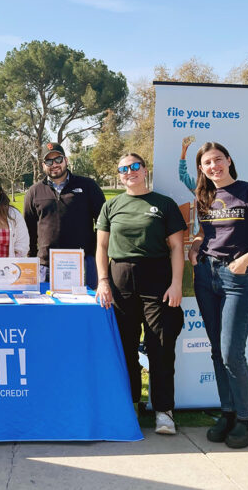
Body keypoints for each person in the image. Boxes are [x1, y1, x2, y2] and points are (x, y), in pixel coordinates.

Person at [189, 142, 248, 449]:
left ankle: (245, 419)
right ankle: (227, 413)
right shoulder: (204, 196)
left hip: (237, 278)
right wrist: (196, 244)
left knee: (231, 353)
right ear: (201, 169)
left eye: (218, 159)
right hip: (205, 276)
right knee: (216, 350)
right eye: (207, 162)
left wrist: (246, 260)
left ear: (229, 160)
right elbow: (205, 231)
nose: (214, 166)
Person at [95, 153, 186, 436]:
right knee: (125, 347)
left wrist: (176, 284)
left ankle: (163, 411)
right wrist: (103, 281)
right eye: (123, 168)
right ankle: (131, 405)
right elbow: (101, 248)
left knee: (160, 347)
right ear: (119, 174)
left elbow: (176, 248)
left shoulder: (164, 204)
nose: (129, 172)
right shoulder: (111, 206)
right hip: (121, 280)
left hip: (158, 281)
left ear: (145, 169)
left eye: (134, 166)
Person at [24, 142, 105, 289]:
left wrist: (93, 251)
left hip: (82, 263)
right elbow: (28, 230)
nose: (54, 164)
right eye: (48, 161)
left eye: (58, 159)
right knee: (47, 310)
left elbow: (103, 222)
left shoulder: (88, 186)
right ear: (43, 165)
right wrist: (32, 260)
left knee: (84, 309)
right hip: (46, 266)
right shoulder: (34, 192)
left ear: (66, 160)